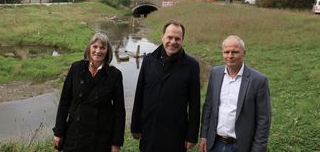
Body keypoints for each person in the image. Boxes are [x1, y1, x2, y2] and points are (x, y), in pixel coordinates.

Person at [131, 20, 201, 152]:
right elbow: (139, 95)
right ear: (162, 37)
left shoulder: (191, 66)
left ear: (182, 40)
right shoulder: (148, 61)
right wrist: (136, 126)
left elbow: (194, 104)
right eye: (169, 37)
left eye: (177, 39)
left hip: (175, 133)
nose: (173, 42)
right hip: (149, 129)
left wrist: (191, 136)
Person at [52, 33, 126, 152]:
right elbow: (64, 101)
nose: (98, 51)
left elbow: (119, 112)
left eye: (102, 47)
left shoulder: (114, 75)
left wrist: (116, 143)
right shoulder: (76, 68)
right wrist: (59, 132)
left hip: (100, 139)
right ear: (89, 48)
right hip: (75, 135)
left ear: (108, 51)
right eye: (95, 46)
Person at [199, 35, 271, 152]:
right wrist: (204, 136)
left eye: (235, 52)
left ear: (244, 53)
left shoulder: (258, 80)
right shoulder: (215, 73)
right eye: (226, 52)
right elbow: (208, 107)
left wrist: (258, 149)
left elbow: (263, 119)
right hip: (215, 143)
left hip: (241, 146)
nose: (230, 56)